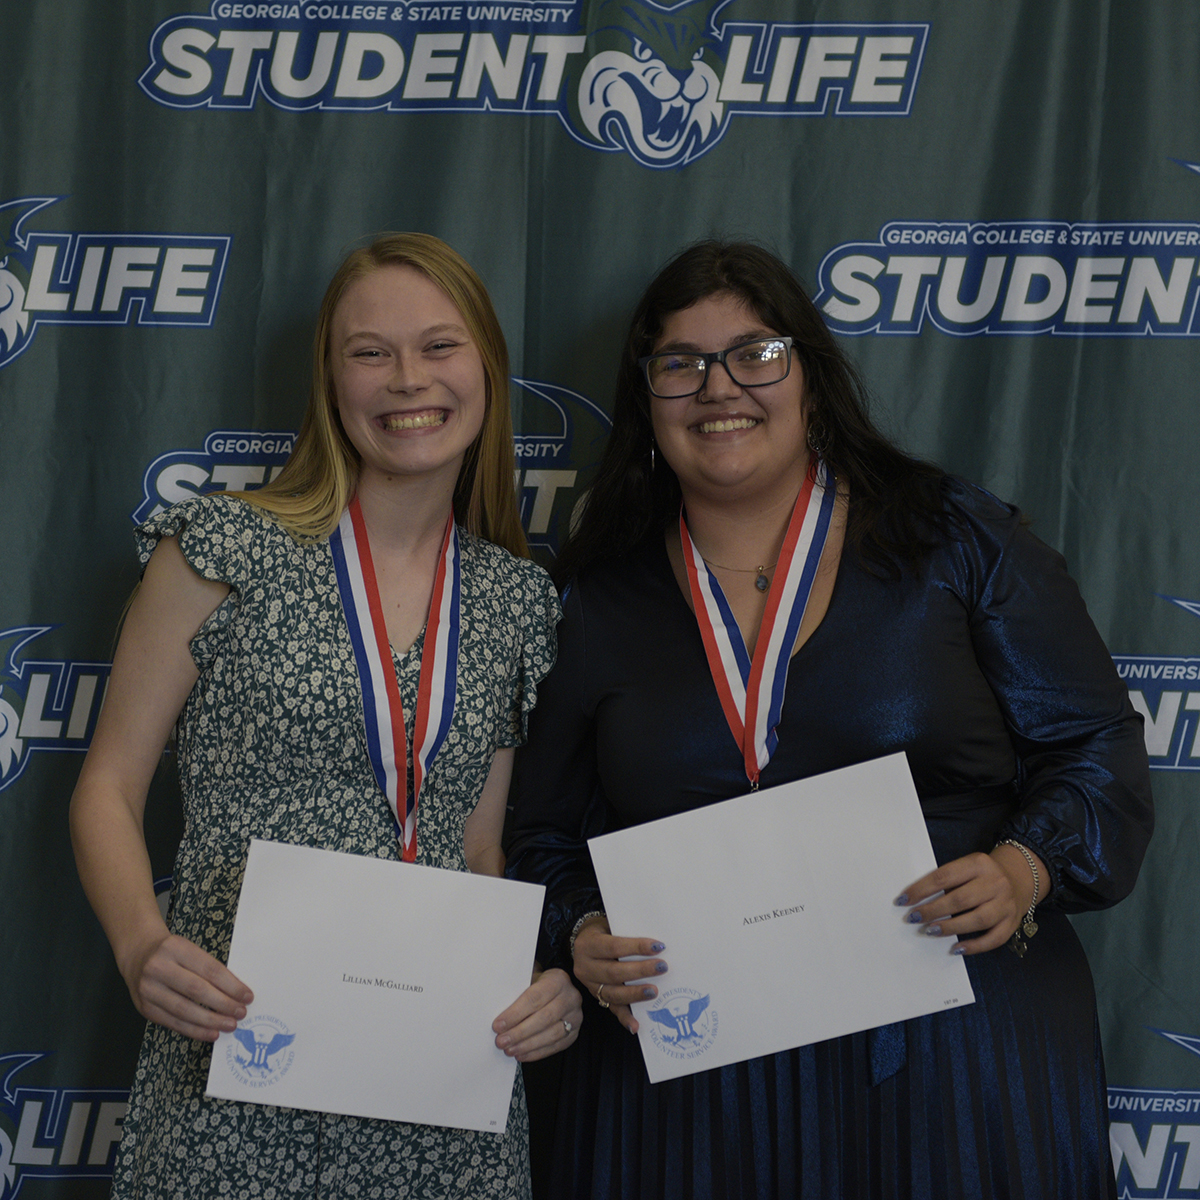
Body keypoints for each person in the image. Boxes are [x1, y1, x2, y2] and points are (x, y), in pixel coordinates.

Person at [506, 240, 1153, 1199]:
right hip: (695, 1083)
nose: (719, 388)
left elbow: (1096, 747)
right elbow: (537, 837)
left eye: (756, 354)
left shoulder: (954, 539)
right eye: (679, 364)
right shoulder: (592, 600)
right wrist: (579, 931)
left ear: (812, 374)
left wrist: (1026, 867)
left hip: (955, 1055)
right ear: (646, 399)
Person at [70, 232, 582, 1199]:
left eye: (438, 346)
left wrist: (535, 980)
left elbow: (478, 854)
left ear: (487, 370)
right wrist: (141, 940)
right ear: (330, 380)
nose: (405, 379)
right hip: (235, 1048)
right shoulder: (224, 546)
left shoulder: (516, 600)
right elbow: (108, 784)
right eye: (369, 351)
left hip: (439, 1080)